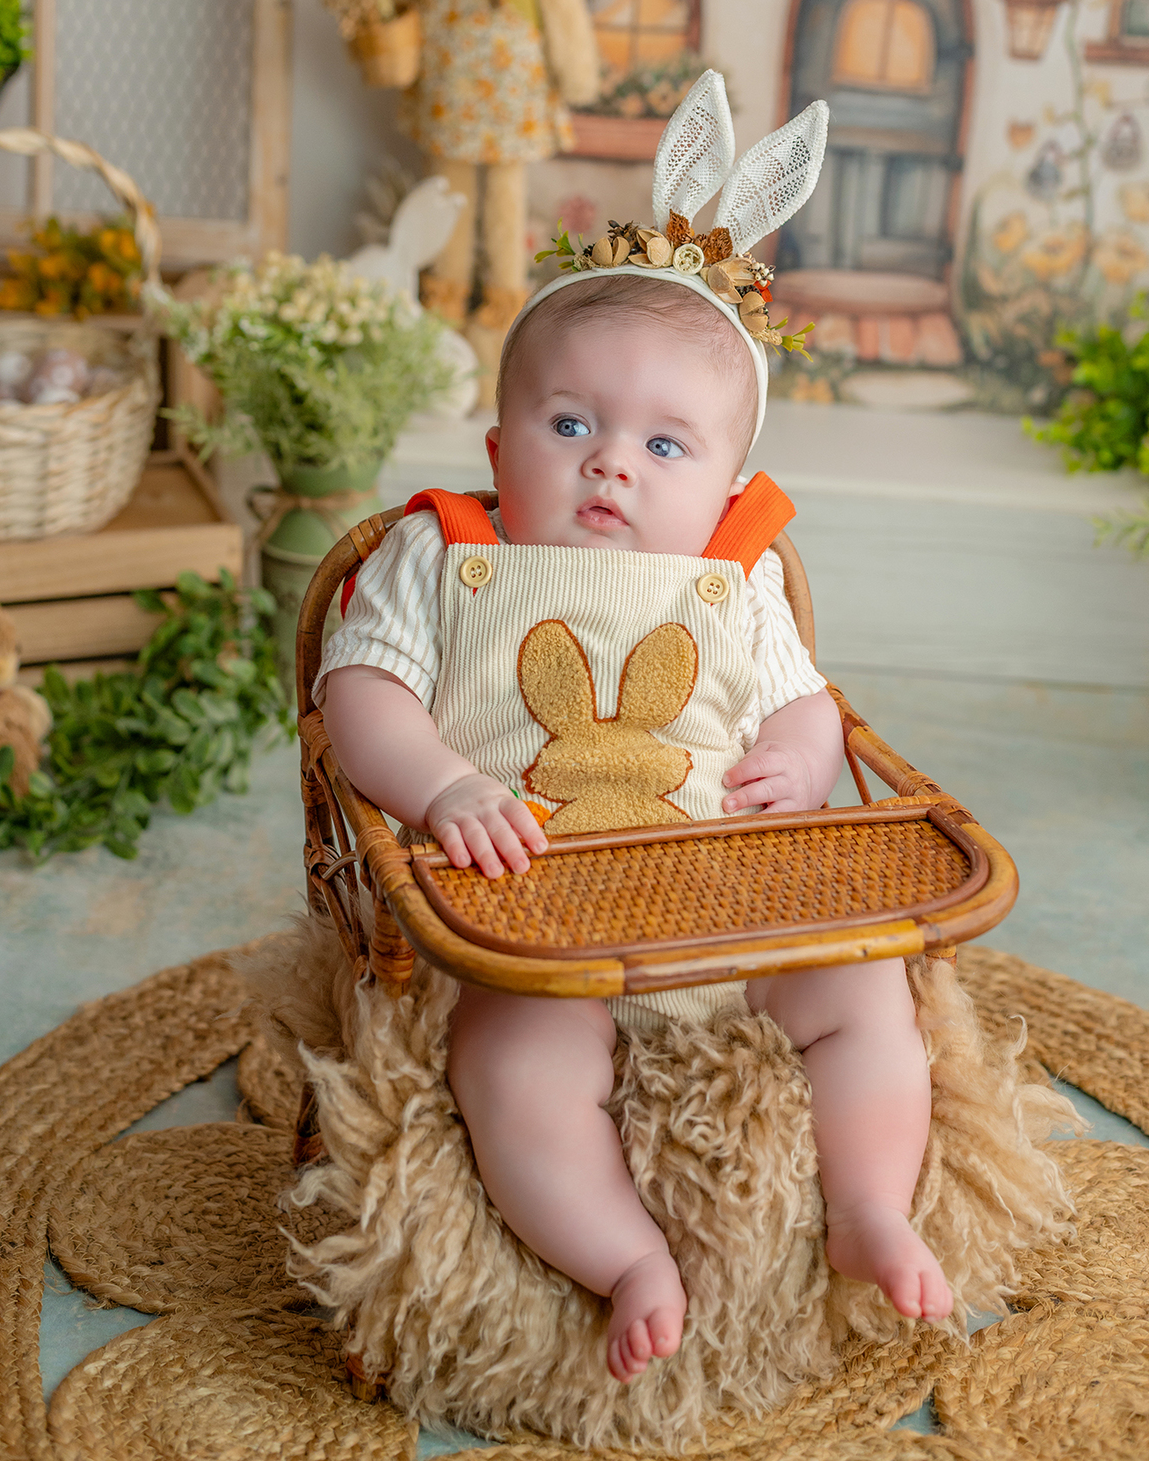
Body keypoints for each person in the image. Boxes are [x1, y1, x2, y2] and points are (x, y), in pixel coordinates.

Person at [316, 81, 955, 1386]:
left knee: (866, 995)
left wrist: (798, 754)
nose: (612, 463)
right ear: (502, 442)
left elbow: (803, 700)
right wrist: (439, 787)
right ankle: (622, 1257)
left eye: (667, 445)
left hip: (726, 900)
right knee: (509, 1065)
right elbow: (355, 695)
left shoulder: (740, 575)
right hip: (534, 912)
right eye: (571, 426)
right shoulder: (441, 552)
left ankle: (868, 1201)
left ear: (724, 483)